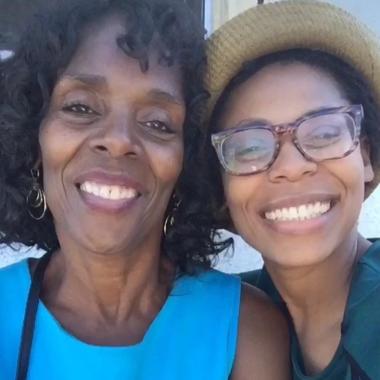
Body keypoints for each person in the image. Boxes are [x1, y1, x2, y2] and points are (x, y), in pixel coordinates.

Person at [0, 0, 290, 379]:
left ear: (187, 162)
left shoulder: (247, 330)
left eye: (157, 123)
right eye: (81, 108)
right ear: (33, 141)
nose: (119, 141)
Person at [203, 0, 380, 379]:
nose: (291, 167)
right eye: (249, 146)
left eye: (324, 133)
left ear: (365, 156)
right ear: (220, 184)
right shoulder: (222, 318)